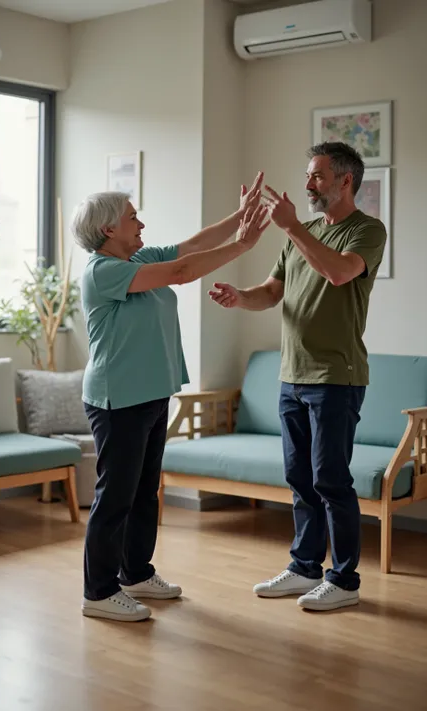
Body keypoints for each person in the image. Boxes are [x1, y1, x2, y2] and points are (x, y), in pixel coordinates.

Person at [71, 174, 270, 622]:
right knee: (116, 496)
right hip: (116, 399)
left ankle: (135, 573)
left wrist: (240, 219)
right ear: (108, 229)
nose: (140, 224)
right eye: (131, 217)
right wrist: (243, 245)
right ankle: (98, 592)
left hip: (151, 393)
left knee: (144, 493)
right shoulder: (105, 272)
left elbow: (190, 247)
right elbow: (182, 273)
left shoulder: (137, 257)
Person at [209, 142, 386, 612]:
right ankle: (304, 567)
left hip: (337, 376)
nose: (308, 184)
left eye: (317, 176)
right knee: (299, 477)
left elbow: (338, 273)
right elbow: (271, 292)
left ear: (345, 180)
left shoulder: (367, 231)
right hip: (292, 375)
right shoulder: (300, 232)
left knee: (331, 479)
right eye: (308, 176)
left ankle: (344, 580)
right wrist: (238, 297)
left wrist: (291, 227)